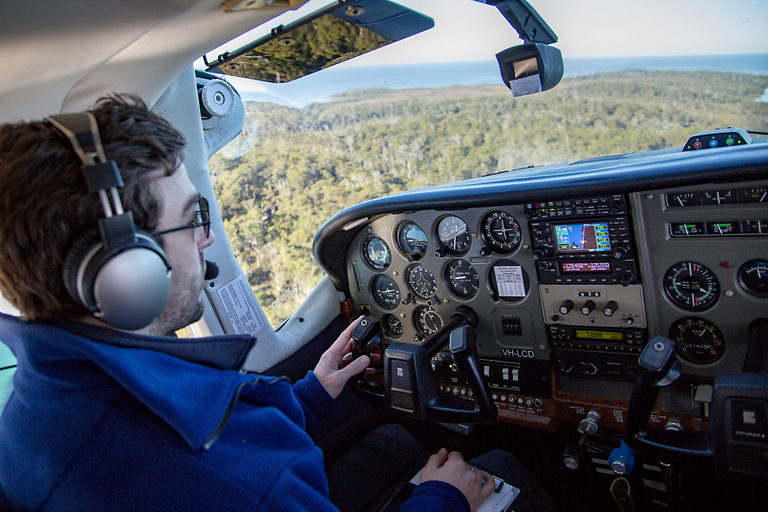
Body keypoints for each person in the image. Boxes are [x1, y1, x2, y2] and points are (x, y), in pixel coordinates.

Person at [0, 95, 506, 512]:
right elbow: (231, 469)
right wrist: (444, 499)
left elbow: (225, 430)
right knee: (505, 467)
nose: (204, 239)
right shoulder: (229, 480)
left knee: (395, 440)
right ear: (126, 269)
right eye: (189, 218)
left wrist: (310, 396)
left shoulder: (37, 406)